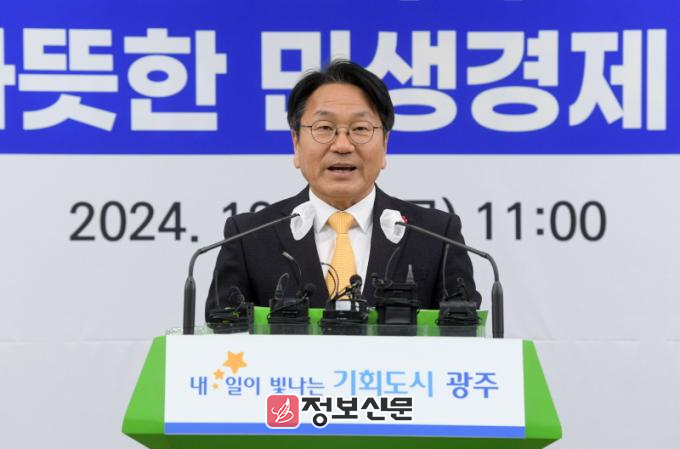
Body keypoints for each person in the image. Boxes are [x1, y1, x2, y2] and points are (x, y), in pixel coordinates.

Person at [206, 60, 480, 318]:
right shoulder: (249, 238)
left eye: (360, 129)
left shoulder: (436, 236)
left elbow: (465, 333)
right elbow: (223, 333)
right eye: (324, 128)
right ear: (296, 144)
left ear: (385, 144)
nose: (342, 145)